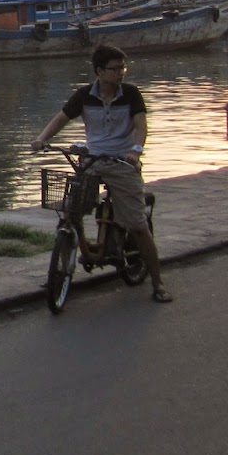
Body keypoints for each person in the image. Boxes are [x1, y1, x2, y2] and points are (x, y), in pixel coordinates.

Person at [30, 45, 173, 303]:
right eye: (115, 69)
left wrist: (135, 152)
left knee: (138, 226)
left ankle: (158, 282)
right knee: (70, 214)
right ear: (99, 71)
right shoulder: (85, 95)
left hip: (122, 162)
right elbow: (61, 119)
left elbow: (141, 126)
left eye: (123, 68)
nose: (121, 73)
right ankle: (58, 272)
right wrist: (41, 139)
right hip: (93, 161)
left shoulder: (130, 94)